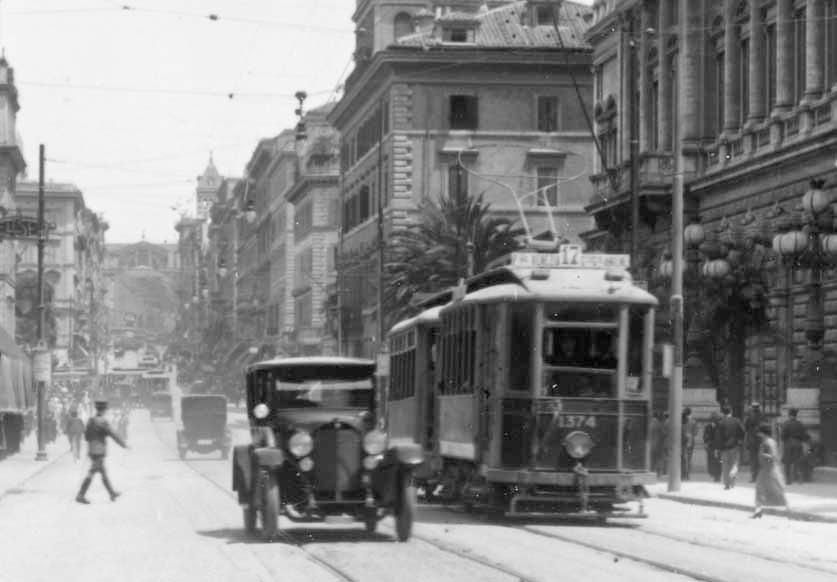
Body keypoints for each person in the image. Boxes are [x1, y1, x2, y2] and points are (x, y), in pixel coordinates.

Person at [75, 400, 128, 504]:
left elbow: (86, 436)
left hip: (92, 450)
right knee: (91, 473)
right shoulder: (103, 421)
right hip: (98, 451)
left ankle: (112, 493)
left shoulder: (91, 420)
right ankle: (80, 495)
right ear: (104, 410)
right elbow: (113, 435)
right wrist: (123, 444)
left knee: (103, 473)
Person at [753, 424, 788, 518]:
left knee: (766, 488)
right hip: (767, 469)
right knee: (763, 489)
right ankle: (758, 510)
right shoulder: (769, 441)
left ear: (763, 433)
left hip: (769, 470)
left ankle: (759, 509)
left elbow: (774, 456)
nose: (758, 434)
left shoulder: (768, 442)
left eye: (759, 432)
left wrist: (764, 455)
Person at [717, 405, 745, 490]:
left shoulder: (721, 422)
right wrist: (740, 440)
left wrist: (718, 447)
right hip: (735, 446)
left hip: (724, 447)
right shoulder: (736, 421)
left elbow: (718, 436)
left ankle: (727, 484)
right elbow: (743, 431)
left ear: (723, 413)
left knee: (725, 466)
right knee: (734, 464)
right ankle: (732, 478)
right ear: (731, 412)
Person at [780, 408, 809, 485]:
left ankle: (788, 480)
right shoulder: (800, 424)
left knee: (787, 462)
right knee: (798, 462)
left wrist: (784, 441)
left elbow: (782, 436)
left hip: (788, 444)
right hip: (798, 443)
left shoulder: (786, 424)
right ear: (796, 415)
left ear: (789, 415)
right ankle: (799, 479)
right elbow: (805, 436)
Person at [744, 402, 763, 482]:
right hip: (760, 440)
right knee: (760, 459)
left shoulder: (749, 417)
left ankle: (753, 477)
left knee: (753, 459)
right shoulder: (762, 416)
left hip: (752, 440)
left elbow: (745, 427)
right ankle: (759, 476)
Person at [703, 411, 722, 482]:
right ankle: (714, 474)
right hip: (711, 447)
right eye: (712, 419)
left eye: (715, 419)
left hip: (717, 447)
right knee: (712, 461)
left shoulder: (720, 426)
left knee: (717, 461)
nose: (713, 420)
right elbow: (705, 436)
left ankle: (717, 475)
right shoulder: (708, 426)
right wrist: (706, 442)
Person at [681, 407, 698, 480]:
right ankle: (687, 475)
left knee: (683, 458)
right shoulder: (693, 422)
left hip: (682, 442)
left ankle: (683, 474)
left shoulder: (681, 421)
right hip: (690, 442)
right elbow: (695, 432)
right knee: (689, 459)